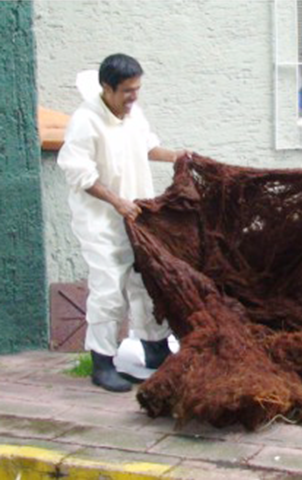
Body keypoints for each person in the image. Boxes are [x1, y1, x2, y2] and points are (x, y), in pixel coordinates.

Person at [58, 53, 190, 391]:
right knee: (108, 289)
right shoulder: (86, 121)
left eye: (137, 89)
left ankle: (155, 350)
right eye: (128, 91)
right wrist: (117, 203)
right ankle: (102, 363)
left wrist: (180, 156)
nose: (134, 97)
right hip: (102, 222)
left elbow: (148, 148)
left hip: (138, 217)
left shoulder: (134, 114)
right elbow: (80, 174)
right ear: (107, 87)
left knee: (147, 284)